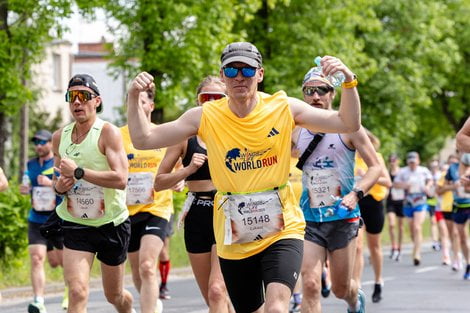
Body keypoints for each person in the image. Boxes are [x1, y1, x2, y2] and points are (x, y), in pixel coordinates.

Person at [127, 41, 361, 313]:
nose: (240, 77)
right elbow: (144, 139)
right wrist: (133, 96)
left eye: (247, 71)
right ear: (223, 74)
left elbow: (348, 123)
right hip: (234, 231)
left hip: (282, 225)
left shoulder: (283, 107)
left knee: (276, 308)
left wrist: (348, 81)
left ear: (259, 74)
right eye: (232, 70)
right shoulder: (205, 115)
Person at [292, 69, 380, 313]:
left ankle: (354, 299)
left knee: (341, 289)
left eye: (322, 89)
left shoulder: (350, 127)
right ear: (303, 95)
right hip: (309, 217)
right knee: (310, 283)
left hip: (343, 216)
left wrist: (356, 194)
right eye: (309, 90)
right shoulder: (296, 130)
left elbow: (375, 168)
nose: (315, 96)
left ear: (332, 93)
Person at [52, 74, 133, 313]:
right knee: (77, 291)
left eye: (83, 96)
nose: (77, 102)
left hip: (111, 223)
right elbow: (57, 182)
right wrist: (59, 187)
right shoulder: (60, 137)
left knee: (114, 296)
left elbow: (121, 179)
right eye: (71, 97)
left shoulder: (108, 133)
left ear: (96, 101)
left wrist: (78, 172)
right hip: (75, 222)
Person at [154, 75, 234, 312]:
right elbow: (159, 182)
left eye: (217, 98)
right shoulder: (184, 138)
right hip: (197, 213)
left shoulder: (237, 133)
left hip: (227, 211)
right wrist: (187, 170)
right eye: (205, 98)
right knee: (213, 299)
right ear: (197, 102)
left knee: (217, 290)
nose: (210, 103)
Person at [120, 86, 179, 313]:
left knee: (147, 265)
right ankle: (152, 303)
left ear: (151, 106)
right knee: (137, 273)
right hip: (127, 211)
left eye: (141, 102)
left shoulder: (163, 134)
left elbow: (178, 166)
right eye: (132, 102)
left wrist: (179, 180)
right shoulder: (117, 135)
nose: (136, 106)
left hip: (158, 208)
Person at [19, 129, 66, 313]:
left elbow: (67, 186)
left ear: (50, 144)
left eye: (42, 142)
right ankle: (38, 301)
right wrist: (25, 189)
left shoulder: (58, 162)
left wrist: (50, 184)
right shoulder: (30, 164)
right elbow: (27, 185)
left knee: (59, 262)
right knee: (37, 258)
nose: (39, 146)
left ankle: (70, 292)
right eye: (36, 143)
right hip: (36, 218)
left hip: (57, 218)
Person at [352, 130, 392, 304]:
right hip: (356, 203)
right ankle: (358, 287)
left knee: (374, 246)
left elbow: (388, 182)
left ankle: (378, 281)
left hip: (374, 202)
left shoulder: (376, 157)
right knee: (358, 246)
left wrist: (366, 176)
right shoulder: (350, 157)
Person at [393, 151, 433, 266]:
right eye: (410, 162)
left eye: (414, 162)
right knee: (411, 229)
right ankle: (416, 244)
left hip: (420, 199)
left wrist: (427, 186)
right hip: (408, 201)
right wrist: (405, 185)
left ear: (418, 161)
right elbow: (395, 184)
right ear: (407, 162)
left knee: (417, 226)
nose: (412, 164)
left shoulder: (423, 170)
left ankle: (417, 253)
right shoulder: (403, 172)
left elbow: (430, 180)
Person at [443, 152, 470, 279]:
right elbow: (443, 187)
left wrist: (467, 187)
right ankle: (468, 263)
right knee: (462, 237)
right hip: (459, 205)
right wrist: (454, 186)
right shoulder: (452, 168)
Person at [386, 153, 405, 261]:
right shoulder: (388, 173)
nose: (392, 162)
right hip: (391, 201)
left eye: (394, 160)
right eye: (391, 160)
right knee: (392, 224)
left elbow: (407, 184)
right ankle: (394, 247)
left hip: (401, 200)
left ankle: (400, 247)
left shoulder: (402, 173)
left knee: (401, 226)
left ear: (398, 161)